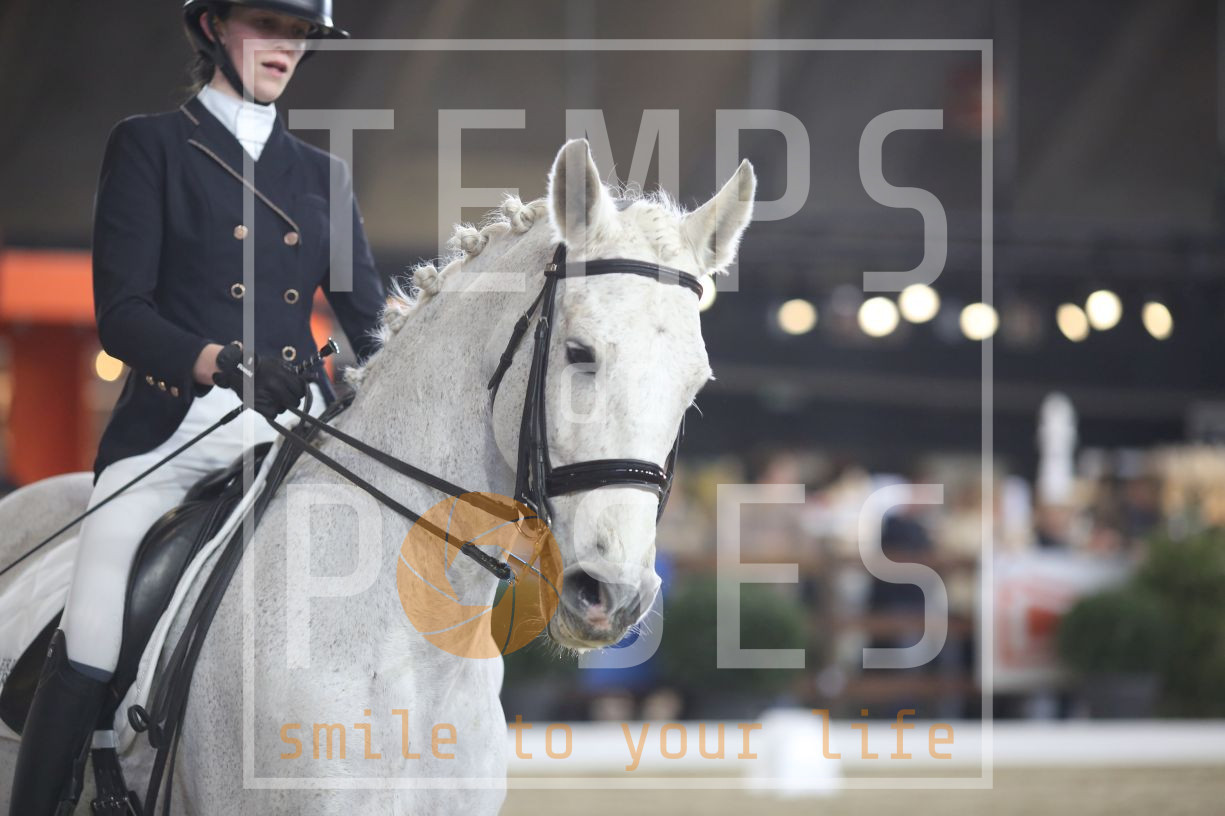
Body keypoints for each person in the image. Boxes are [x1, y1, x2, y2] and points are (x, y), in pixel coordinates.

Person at [9, 1, 385, 812]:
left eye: (299, 34)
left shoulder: (322, 176)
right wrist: (222, 363)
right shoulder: (151, 145)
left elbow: (374, 327)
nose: (285, 48)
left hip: (295, 430)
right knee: (95, 620)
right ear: (213, 27)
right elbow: (123, 314)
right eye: (267, 25)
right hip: (174, 432)